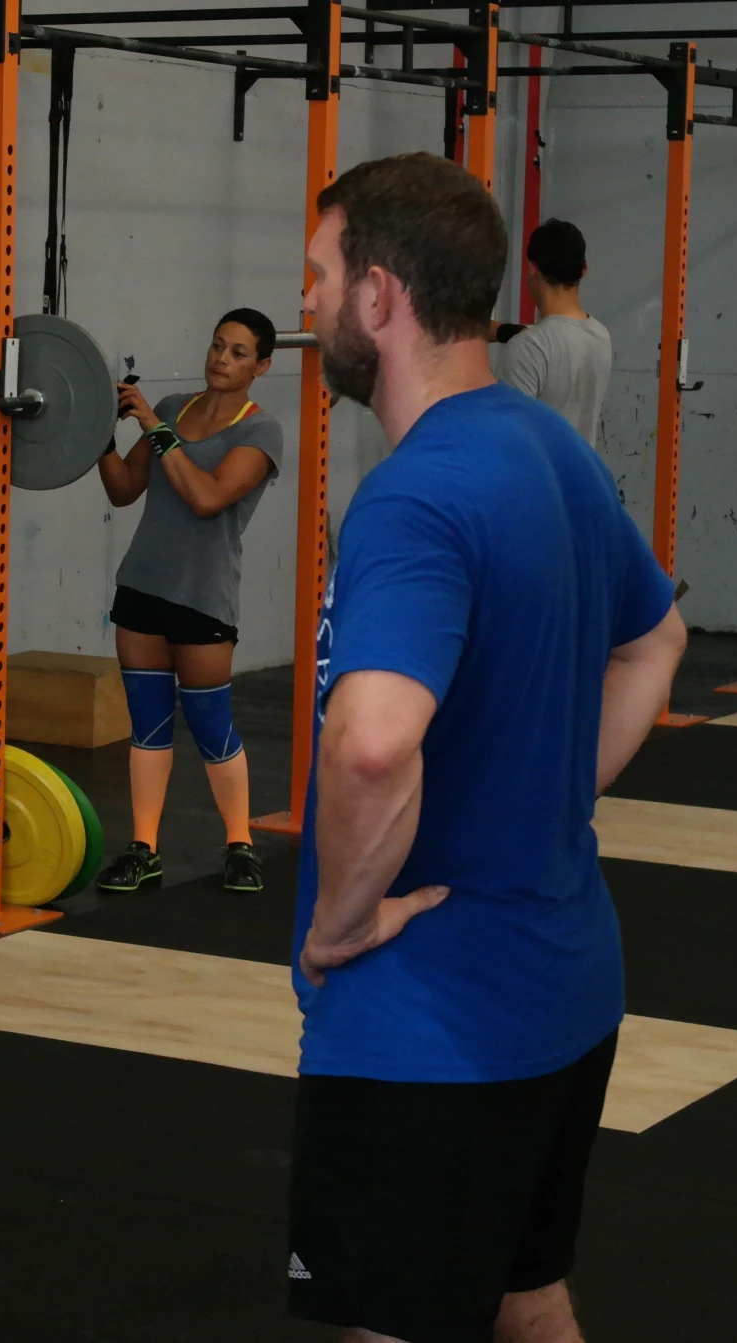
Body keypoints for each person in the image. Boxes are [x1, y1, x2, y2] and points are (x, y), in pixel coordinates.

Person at [290, 154, 687, 1343]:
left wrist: (342, 921)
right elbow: (655, 639)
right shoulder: (545, 447)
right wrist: (551, 795)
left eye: (316, 277)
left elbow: (369, 744)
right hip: (563, 988)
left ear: (377, 298)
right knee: (525, 1299)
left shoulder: (414, 497)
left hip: (426, 1018)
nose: (304, 305)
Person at [91, 309, 285, 895]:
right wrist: (95, 433)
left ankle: (240, 845)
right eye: (218, 346)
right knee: (148, 727)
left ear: (262, 366)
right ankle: (144, 848)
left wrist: (155, 427)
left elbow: (207, 498)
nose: (222, 360)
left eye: (239, 352)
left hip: (203, 598)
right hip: (143, 586)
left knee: (209, 723)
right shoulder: (173, 408)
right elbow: (124, 490)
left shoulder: (261, 430)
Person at [499, 219, 613, 449]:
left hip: (535, 484)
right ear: (584, 269)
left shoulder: (528, 348)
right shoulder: (601, 336)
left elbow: (508, 441)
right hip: (580, 481)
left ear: (532, 268)